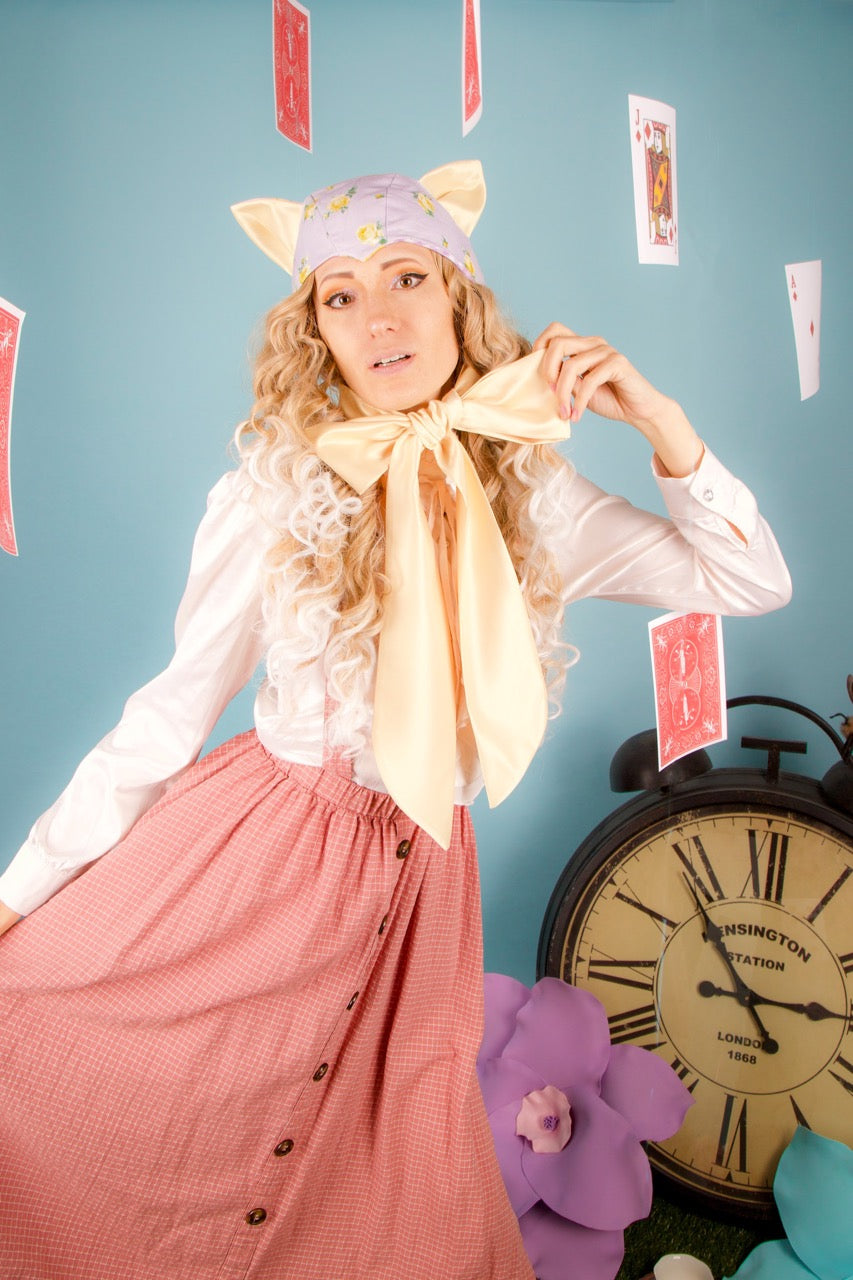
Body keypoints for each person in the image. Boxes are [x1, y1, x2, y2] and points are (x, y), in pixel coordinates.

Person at [0, 161, 791, 1280]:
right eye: (339, 294)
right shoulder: (271, 494)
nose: (377, 316)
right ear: (314, 331)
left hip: (425, 880)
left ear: (458, 293)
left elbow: (748, 578)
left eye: (406, 276)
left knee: (390, 1191)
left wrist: (659, 421)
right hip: (255, 863)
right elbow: (166, 714)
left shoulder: (536, 493)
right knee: (122, 1094)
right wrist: (17, 890)